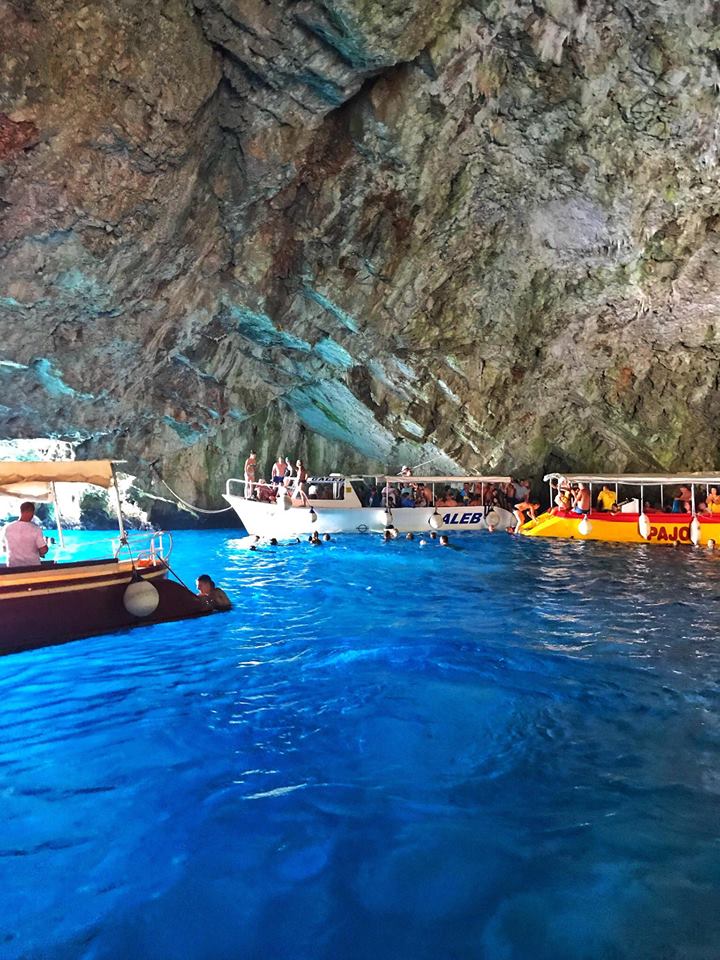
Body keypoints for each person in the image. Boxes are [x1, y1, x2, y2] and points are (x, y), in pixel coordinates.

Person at [1, 502, 49, 568]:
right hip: (32, 567)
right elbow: (43, 550)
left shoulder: (7, 528)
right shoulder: (35, 529)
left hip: (12, 567)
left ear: (20, 511)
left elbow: (4, 548)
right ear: (32, 512)